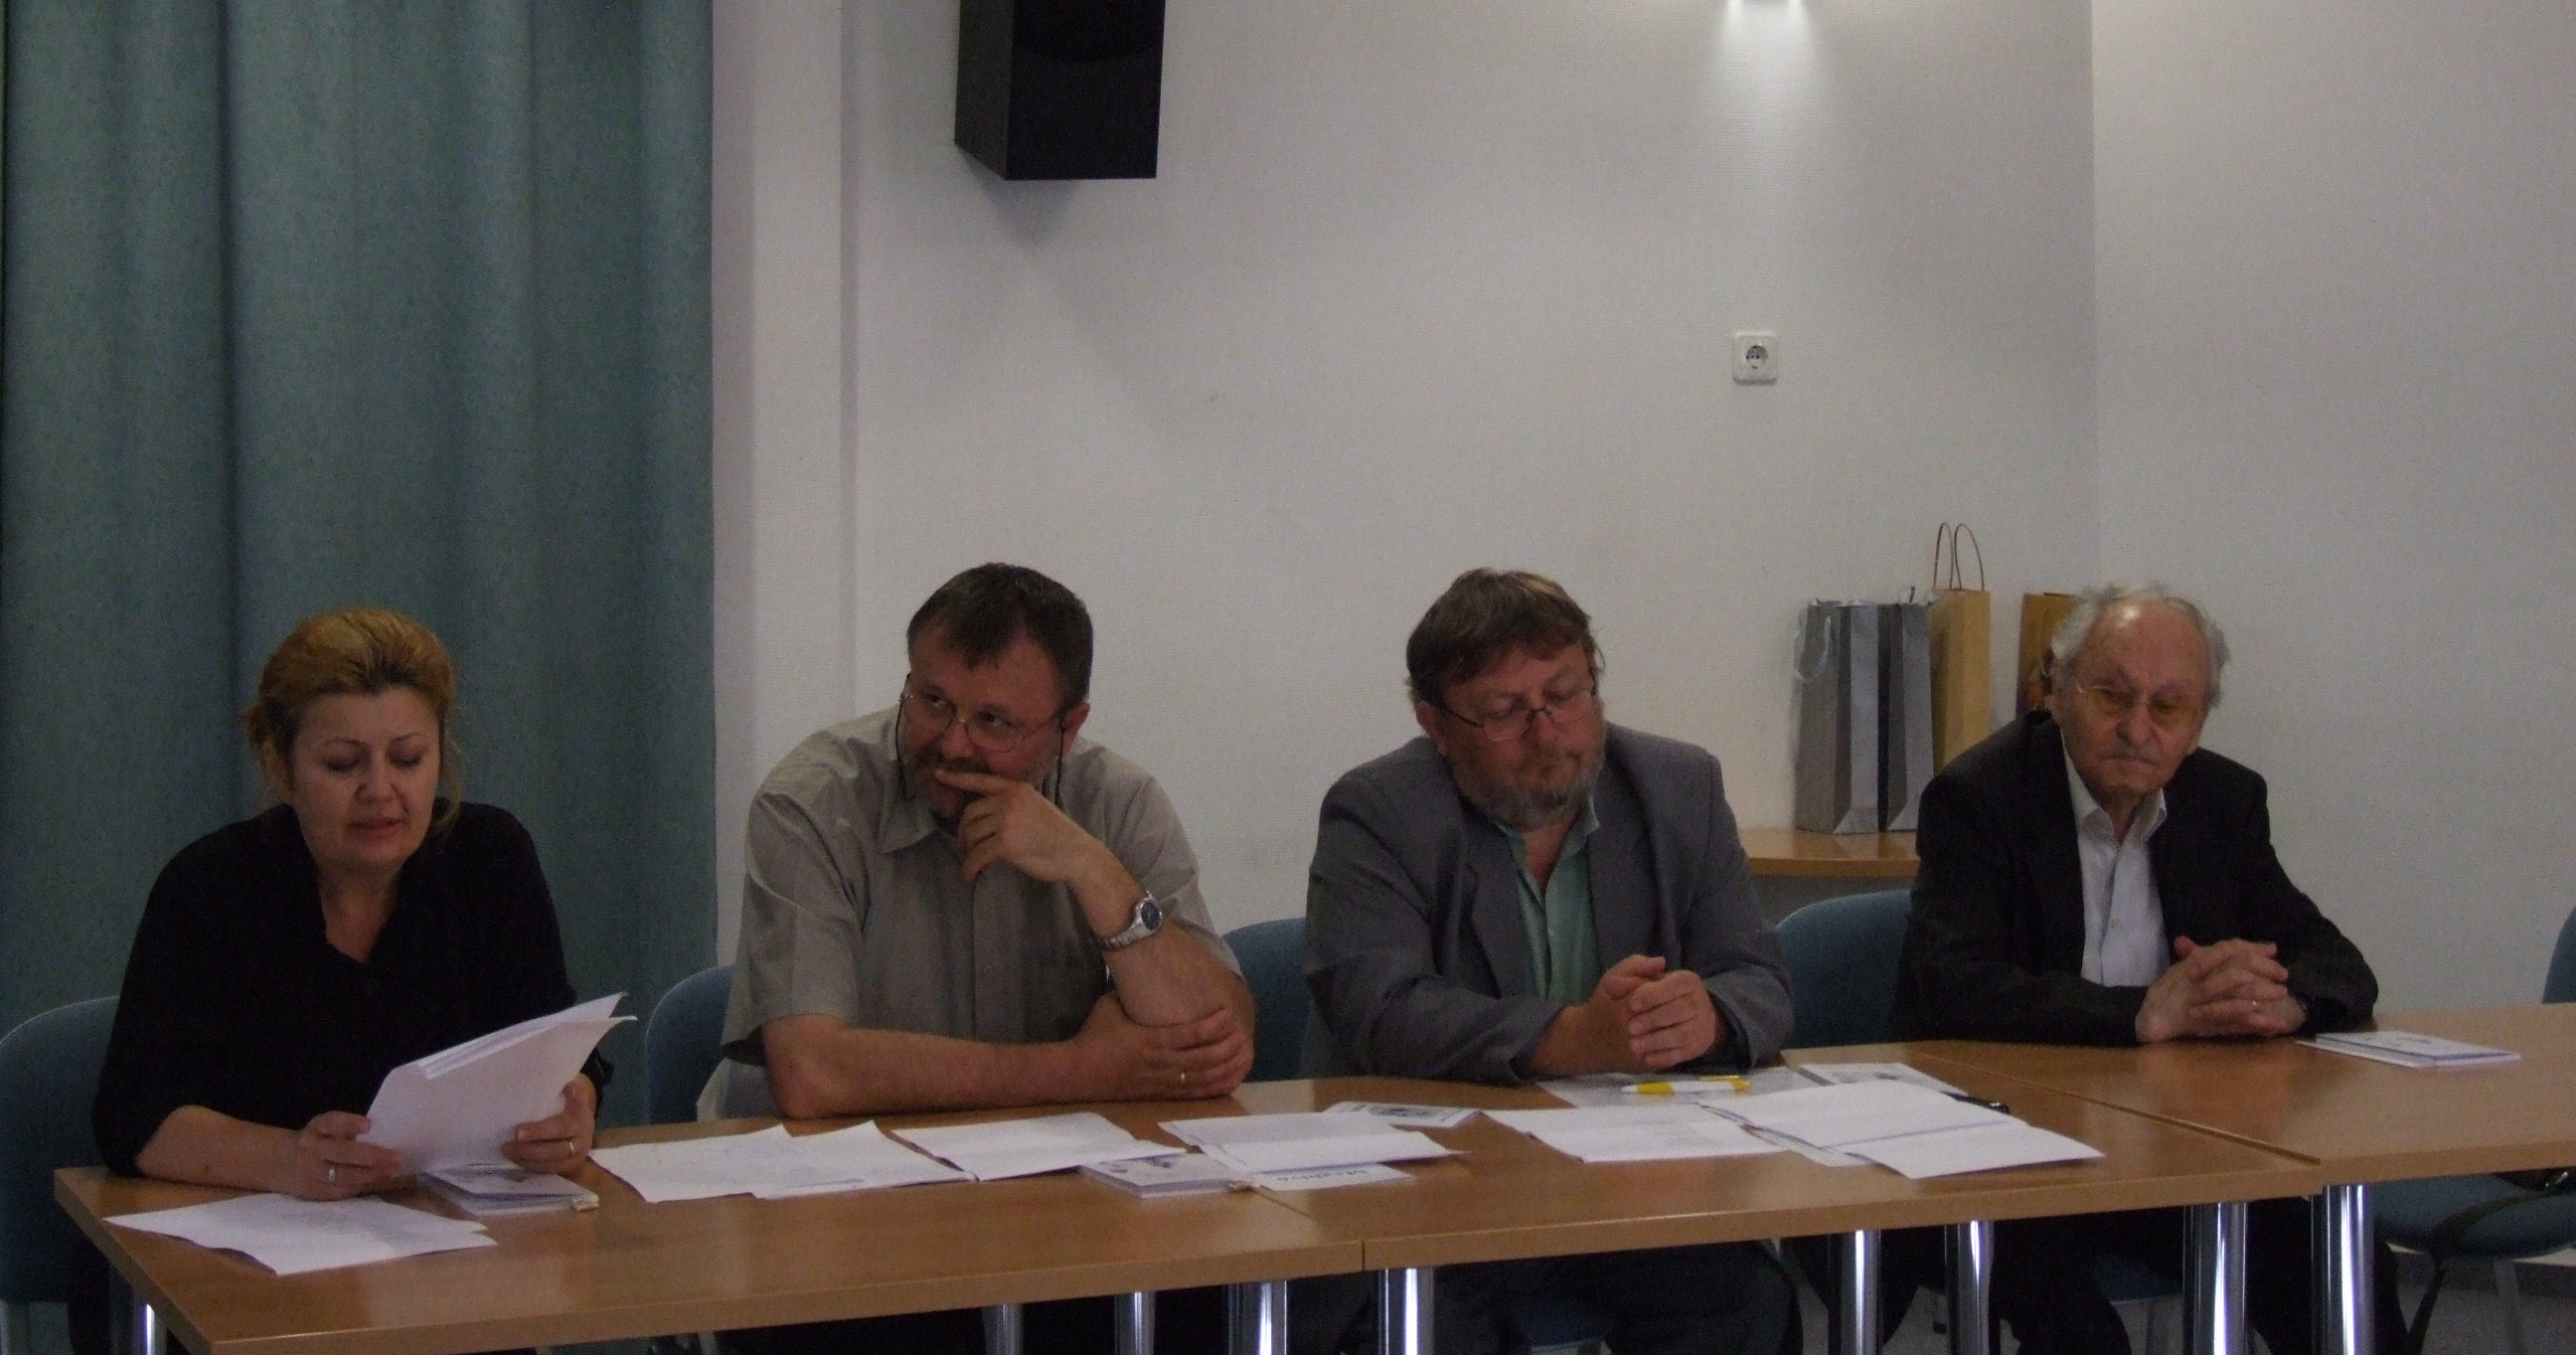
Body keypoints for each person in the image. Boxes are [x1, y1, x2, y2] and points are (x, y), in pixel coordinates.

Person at [710, 563, 1251, 1355]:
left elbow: (1217, 1038)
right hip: (834, 1223)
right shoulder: (814, 803)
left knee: (1198, 1308)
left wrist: (1094, 874)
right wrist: (1082, 1070)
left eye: (994, 721)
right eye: (932, 701)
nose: (952, 742)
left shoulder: (1116, 802)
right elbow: (813, 1074)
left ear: (1067, 728)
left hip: (1053, 1215)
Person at [1893, 583, 2398, 1355]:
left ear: (2197, 726)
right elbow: (1950, 988)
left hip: (2169, 1148)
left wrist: (2282, 1002)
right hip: (2004, 1156)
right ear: (2056, 689)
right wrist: (2139, 1013)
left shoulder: (2223, 802)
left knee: (2339, 1264)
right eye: (2112, 696)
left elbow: (2337, 963)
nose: (2137, 729)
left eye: (2168, 707)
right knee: (2083, 1335)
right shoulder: (1978, 797)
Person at [1303, 569, 1798, 1355]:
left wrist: (1708, 1017)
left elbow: (1758, 976)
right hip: (1436, 1194)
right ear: (1436, 724)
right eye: (1506, 712)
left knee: (1740, 1302)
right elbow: (1381, 1008)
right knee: (1421, 1333)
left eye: (1565, 695)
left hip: (1628, 1183)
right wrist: (1572, 1039)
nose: (1547, 733)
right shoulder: (1381, 812)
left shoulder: (1678, 789)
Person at [93, 607, 601, 1198]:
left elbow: (556, 1052)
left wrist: (572, 1112)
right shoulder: (211, 887)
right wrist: (287, 1159)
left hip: (457, 1230)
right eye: (342, 764)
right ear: (281, 770)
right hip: (258, 1232)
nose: (379, 791)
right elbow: (134, 1120)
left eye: (407, 759)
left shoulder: (489, 859)